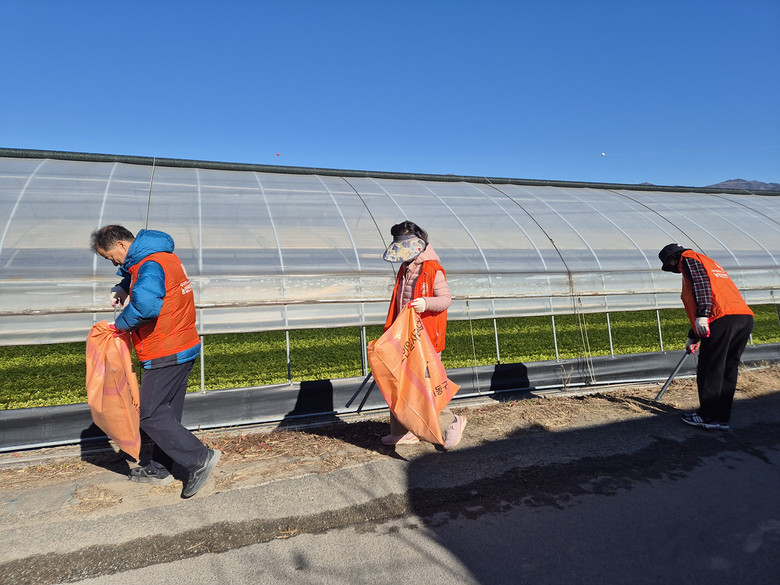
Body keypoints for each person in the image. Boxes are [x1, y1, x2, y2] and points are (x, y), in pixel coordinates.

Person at [90, 225, 220, 498]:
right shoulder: (161, 257)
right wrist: (124, 285)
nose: (113, 263)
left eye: (110, 257)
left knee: (149, 414)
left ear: (122, 246)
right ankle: (161, 468)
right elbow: (142, 276)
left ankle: (199, 458)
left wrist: (119, 325)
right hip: (183, 343)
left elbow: (147, 306)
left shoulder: (149, 265)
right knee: (167, 412)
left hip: (165, 349)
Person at [380, 221, 466, 450]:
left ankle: (452, 422)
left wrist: (426, 303)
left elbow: (446, 299)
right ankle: (405, 431)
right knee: (399, 383)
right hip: (405, 337)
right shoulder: (405, 268)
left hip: (425, 339)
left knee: (427, 386)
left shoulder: (433, 269)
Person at [658, 243, 754, 430]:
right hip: (743, 317)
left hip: (721, 318)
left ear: (672, 259)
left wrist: (702, 315)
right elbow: (716, 294)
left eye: (670, 266)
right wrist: (693, 336)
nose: (673, 270)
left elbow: (701, 284)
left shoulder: (688, 259)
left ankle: (707, 416)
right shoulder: (709, 262)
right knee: (728, 368)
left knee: (711, 367)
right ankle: (721, 418)